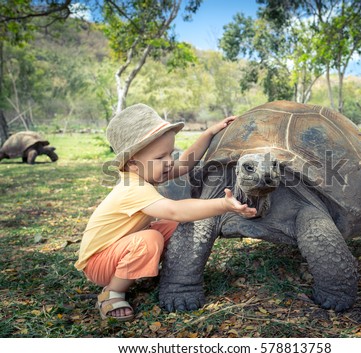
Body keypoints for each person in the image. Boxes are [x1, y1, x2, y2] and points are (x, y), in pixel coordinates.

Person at [74, 104, 256, 321]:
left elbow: (184, 164)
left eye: (170, 153)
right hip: (98, 262)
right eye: (161, 158)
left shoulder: (146, 174)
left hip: (118, 249)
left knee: (174, 228)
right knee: (150, 238)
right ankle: (112, 292)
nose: (169, 161)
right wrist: (223, 205)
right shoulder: (132, 188)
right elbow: (175, 209)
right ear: (132, 163)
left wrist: (208, 134)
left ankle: (152, 268)